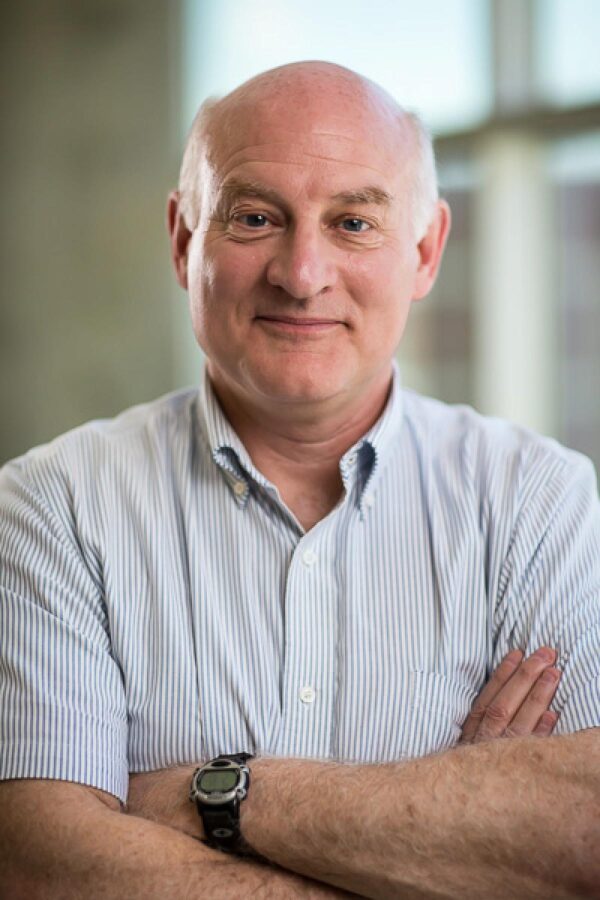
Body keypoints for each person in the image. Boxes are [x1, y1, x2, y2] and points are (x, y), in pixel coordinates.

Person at [0, 60, 598, 898]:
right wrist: (450, 828)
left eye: (353, 222)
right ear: (183, 240)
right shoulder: (50, 509)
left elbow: (583, 833)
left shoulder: (542, 504)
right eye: (254, 218)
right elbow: (44, 867)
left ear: (425, 252)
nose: (303, 272)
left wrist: (212, 797)